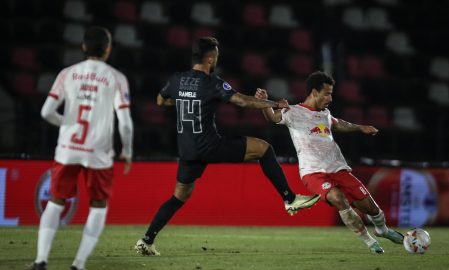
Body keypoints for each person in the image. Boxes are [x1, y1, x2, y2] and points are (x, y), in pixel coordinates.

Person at [134, 37, 320, 256]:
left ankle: (147, 240)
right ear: (211, 58)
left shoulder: (177, 79)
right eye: (217, 56)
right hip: (210, 146)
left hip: (187, 151)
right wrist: (274, 104)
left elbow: (160, 101)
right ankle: (289, 199)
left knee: (178, 197)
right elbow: (242, 101)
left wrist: (186, 100)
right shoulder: (211, 82)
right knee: (264, 148)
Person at [254, 71, 403, 253]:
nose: (330, 98)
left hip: (339, 169)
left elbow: (338, 123)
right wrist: (264, 102)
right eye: (327, 93)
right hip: (313, 173)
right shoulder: (292, 112)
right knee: (338, 198)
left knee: (371, 209)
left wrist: (360, 128)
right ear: (314, 93)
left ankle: (383, 230)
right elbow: (271, 117)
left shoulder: (325, 114)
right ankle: (370, 242)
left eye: (331, 93)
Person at [28, 26, 134, 270]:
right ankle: (78, 263)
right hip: (98, 151)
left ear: (83, 47)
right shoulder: (116, 78)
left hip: (68, 147)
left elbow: (46, 112)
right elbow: (125, 123)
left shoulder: (68, 74)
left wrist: (67, 123)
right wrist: (127, 151)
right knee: (98, 204)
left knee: (56, 201)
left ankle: (40, 260)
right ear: (108, 49)